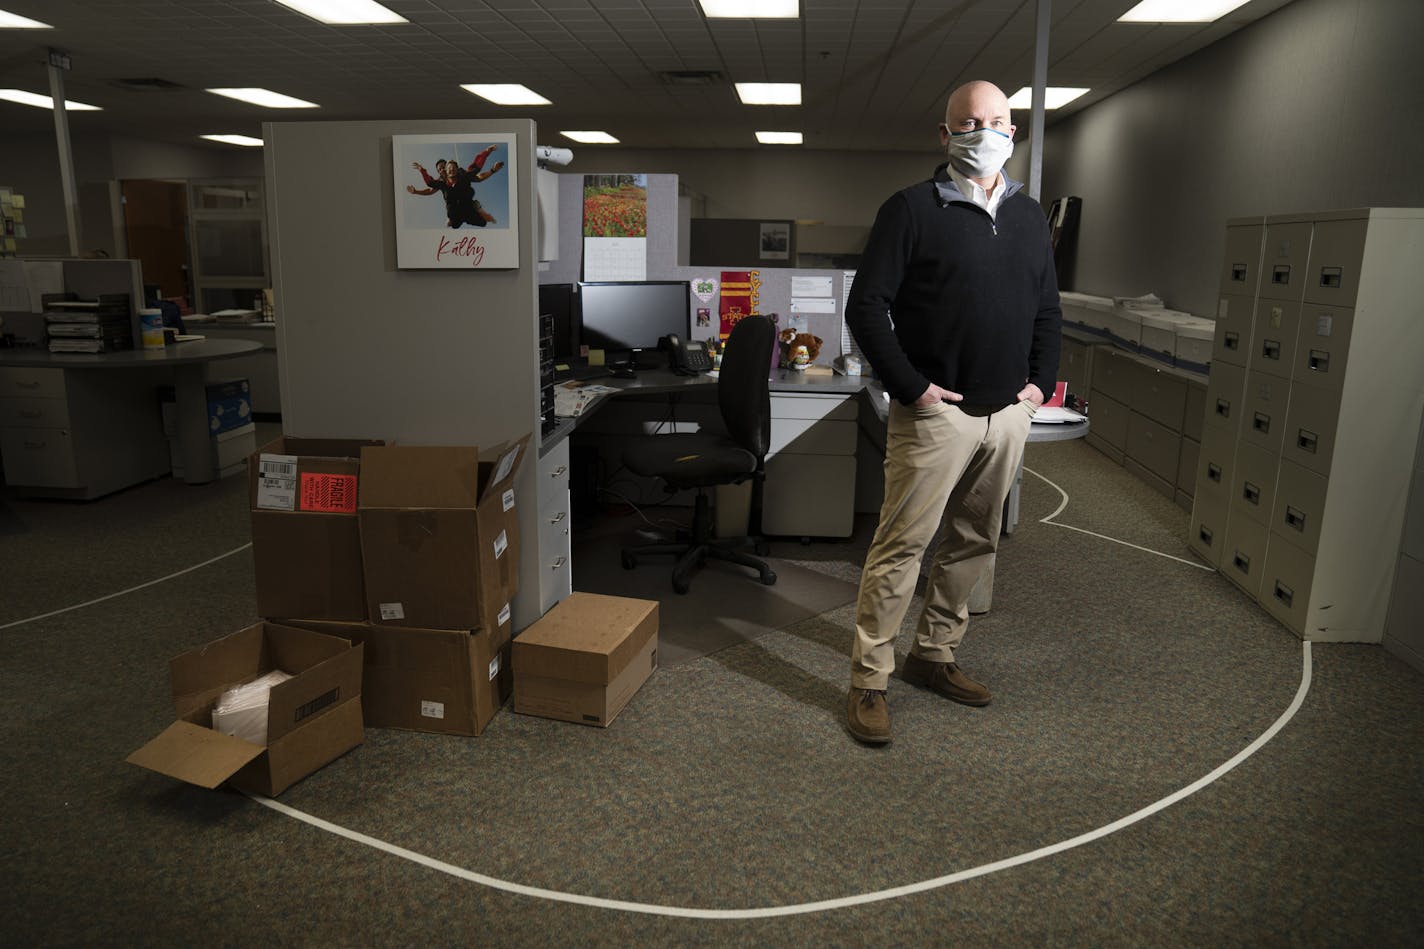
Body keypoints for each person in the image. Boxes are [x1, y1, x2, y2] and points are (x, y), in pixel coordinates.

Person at [843, 80, 1062, 745]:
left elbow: (1048, 309)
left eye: (998, 122)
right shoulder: (910, 209)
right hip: (937, 414)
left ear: (1013, 133)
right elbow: (866, 307)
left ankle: (933, 655)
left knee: (975, 541)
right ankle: (869, 679)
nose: (986, 132)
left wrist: (1038, 386)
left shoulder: (1029, 218)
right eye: (971, 122)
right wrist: (912, 387)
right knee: (902, 546)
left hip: (1008, 413)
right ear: (946, 135)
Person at [408, 146, 505, 227]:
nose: (442, 169)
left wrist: (492, 168)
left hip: (467, 206)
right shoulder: (441, 182)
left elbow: (477, 175)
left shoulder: (462, 174)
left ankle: (476, 207)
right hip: (455, 211)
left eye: (443, 167)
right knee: (454, 225)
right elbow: (430, 189)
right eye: (439, 169)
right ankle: (452, 219)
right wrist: (416, 190)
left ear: (449, 167)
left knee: (482, 222)